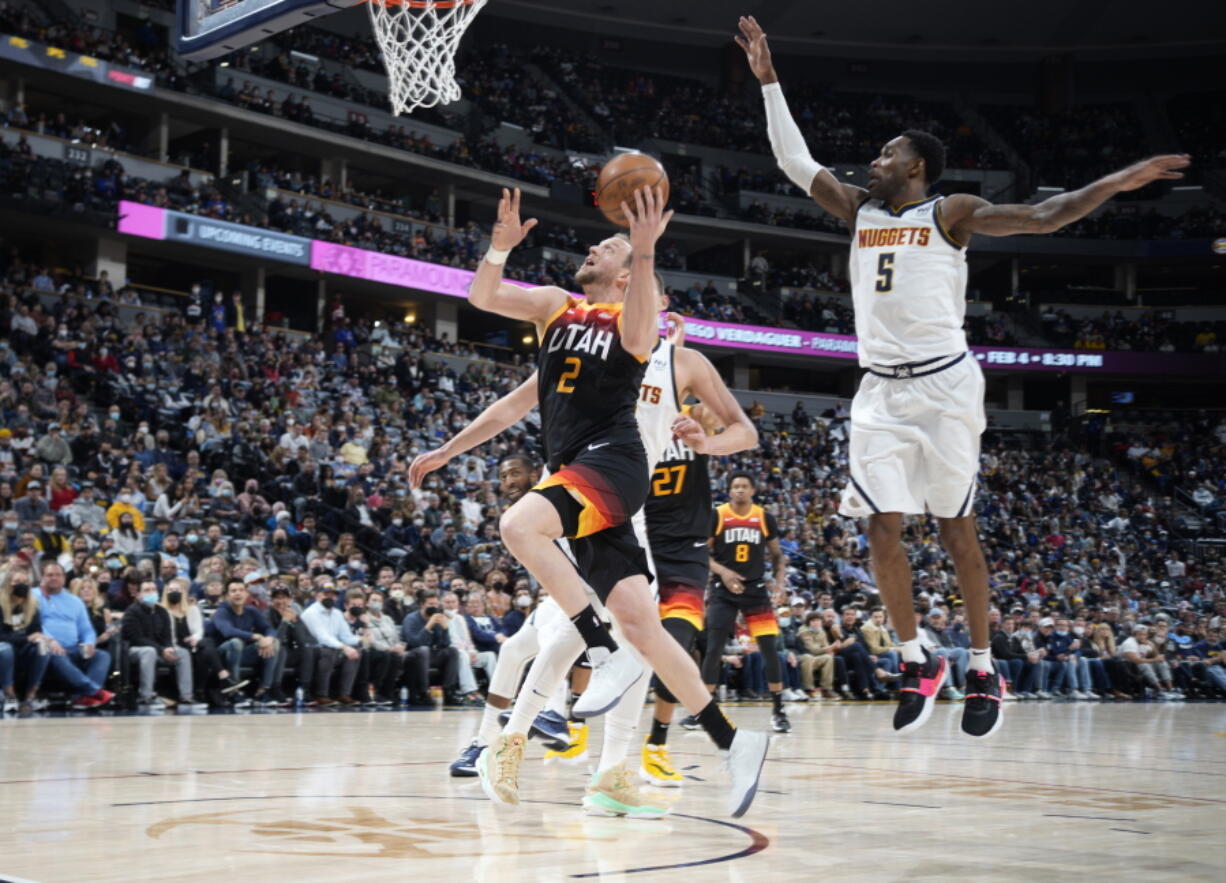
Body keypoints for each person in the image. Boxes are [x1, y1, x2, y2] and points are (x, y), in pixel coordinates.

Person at [736, 13, 1190, 739]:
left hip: (945, 386)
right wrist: (769, 83)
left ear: (916, 165)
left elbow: (1046, 216)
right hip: (880, 389)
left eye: (887, 154)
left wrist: (1122, 178)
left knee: (956, 530)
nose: (873, 162)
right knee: (881, 526)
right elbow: (795, 163)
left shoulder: (950, 212)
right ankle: (918, 658)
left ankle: (983, 664)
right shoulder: (859, 210)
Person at [704, 472, 791, 734]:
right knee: (714, 649)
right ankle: (706, 711)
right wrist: (724, 572)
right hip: (723, 589)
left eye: (744, 486)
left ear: (752, 490)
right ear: (729, 490)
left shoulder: (764, 517)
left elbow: (777, 555)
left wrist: (778, 581)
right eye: (735, 486)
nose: (739, 490)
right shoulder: (717, 515)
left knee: (770, 650)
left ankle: (778, 710)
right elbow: (701, 553)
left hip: (755, 590)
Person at [33, 563, 114, 709]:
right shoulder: (34, 596)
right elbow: (35, 625)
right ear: (42, 577)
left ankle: (83, 699)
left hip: (73, 648)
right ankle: (95, 692)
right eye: (50, 575)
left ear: (64, 578)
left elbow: (87, 630)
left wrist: (89, 643)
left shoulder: (75, 601)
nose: (54, 578)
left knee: (102, 656)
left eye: (58, 575)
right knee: (54, 653)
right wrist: (50, 641)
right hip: (47, 647)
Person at [208, 579, 283, 707]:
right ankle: (233, 692)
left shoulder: (251, 610)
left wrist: (268, 639)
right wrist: (255, 636)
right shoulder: (222, 611)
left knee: (274, 643)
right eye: (233, 591)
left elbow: (269, 628)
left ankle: (263, 691)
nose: (238, 593)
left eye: (241, 590)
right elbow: (228, 631)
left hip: (241, 654)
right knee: (236, 642)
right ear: (227, 595)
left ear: (246, 594)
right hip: (220, 657)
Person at [120, 579, 193, 710]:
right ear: (139, 595)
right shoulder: (131, 612)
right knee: (149, 651)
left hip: (159, 650)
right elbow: (136, 639)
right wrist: (161, 650)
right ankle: (145, 697)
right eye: (147, 590)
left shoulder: (162, 611)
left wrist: (168, 647)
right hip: (134, 651)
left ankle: (186, 697)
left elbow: (167, 636)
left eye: (153, 590)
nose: (151, 593)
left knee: (182, 653)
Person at [300, 582, 361, 705]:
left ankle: (344, 694)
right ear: (317, 595)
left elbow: (346, 636)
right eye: (326, 594)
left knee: (356, 652)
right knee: (328, 652)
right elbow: (322, 637)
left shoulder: (337, 613)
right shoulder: (311, 613)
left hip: (334, 648)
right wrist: (344, 647)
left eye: (333, 595)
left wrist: (361, 640)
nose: (330, 597)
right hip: (313, 650)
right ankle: (321, 694)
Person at [401, 589, 463, 706]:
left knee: (452, 651)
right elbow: (415, 642)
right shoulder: (411, 618)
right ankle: (423, 693)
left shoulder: (438, 617)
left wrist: (445, 629)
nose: (433, 606)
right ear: (422, 605)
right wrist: (428, 626)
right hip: (412, 656)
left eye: (435, 604)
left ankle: (449, 692)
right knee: (424, 650)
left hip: (431, 655)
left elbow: (445, 644)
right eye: (430, 604)